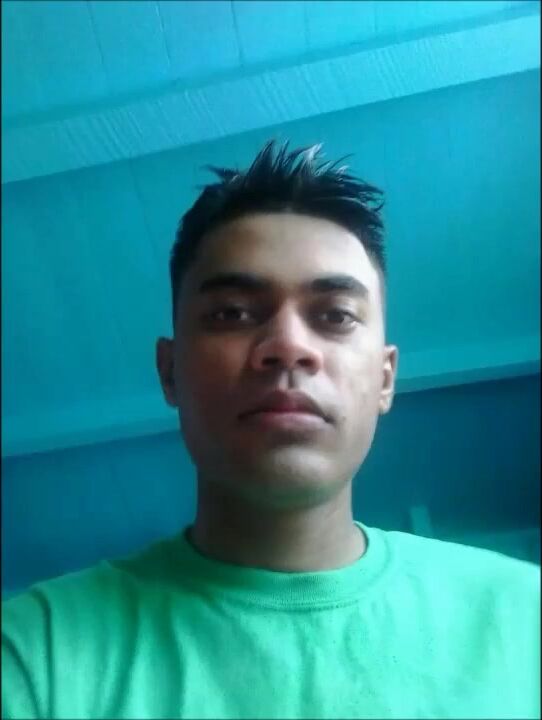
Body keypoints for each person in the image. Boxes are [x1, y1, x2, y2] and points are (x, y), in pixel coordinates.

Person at [2, 141, 539, 720]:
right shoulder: (32, 656)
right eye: (232, 313)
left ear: (385, 378)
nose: (287, 346)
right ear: (170, 371)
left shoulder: (525, 616)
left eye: (335, 315)